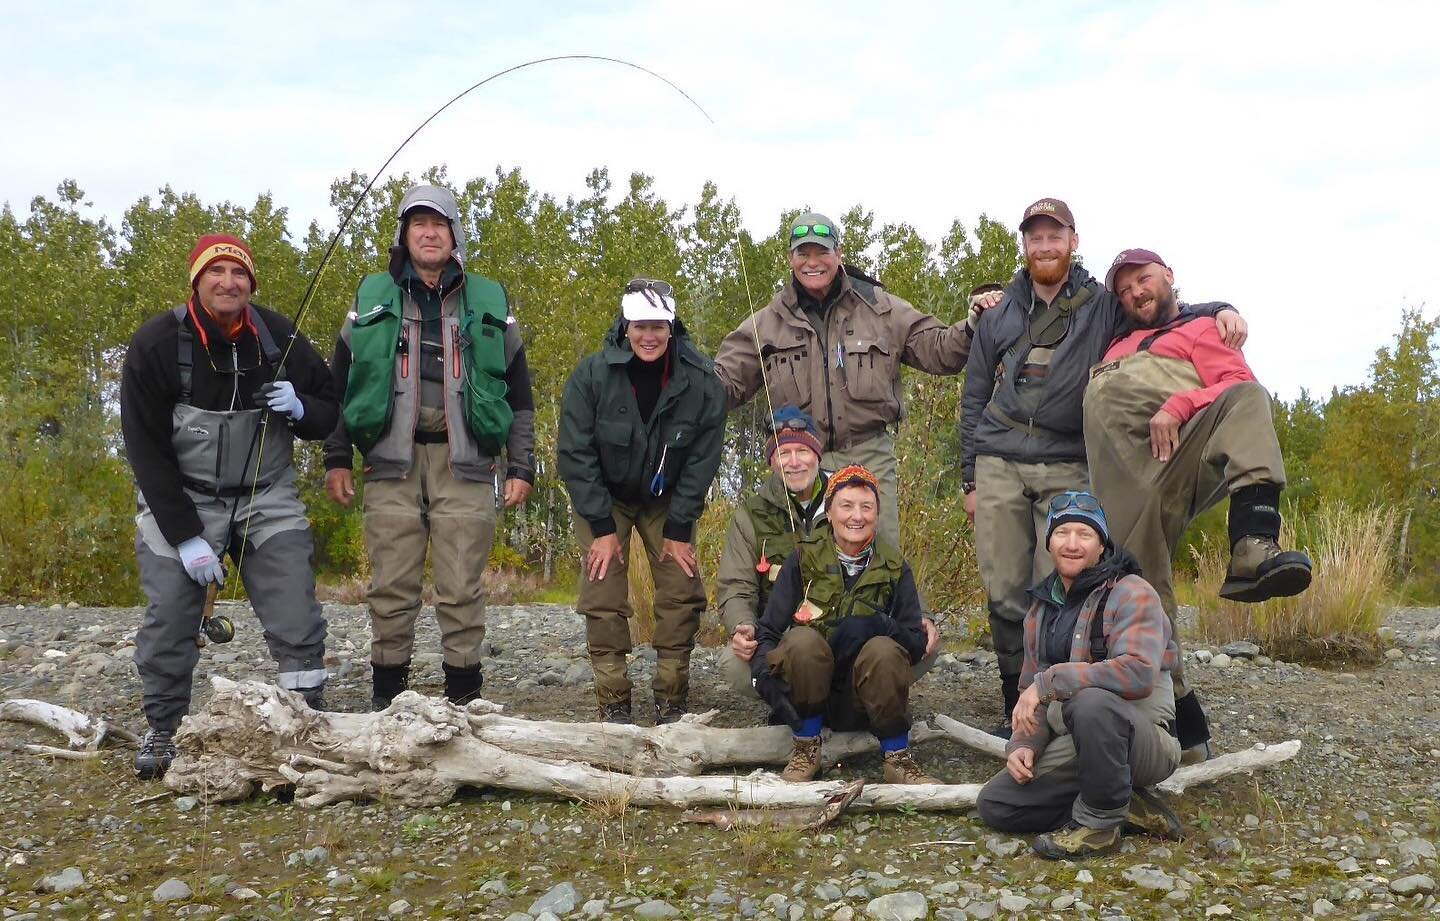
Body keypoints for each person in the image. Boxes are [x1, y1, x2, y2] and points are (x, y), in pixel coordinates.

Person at [959, 197, 1247, 746]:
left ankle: (1057, 702)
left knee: (1063, 588)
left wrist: (1220, 309)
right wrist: (970, 478)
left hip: (1068, 458)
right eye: (1034, 237)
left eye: (1054, 236)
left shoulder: (1100, 305)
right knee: (1003, 590)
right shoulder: (998, 313)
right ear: (1024, 245)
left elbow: (1160, 309)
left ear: (1073, 241)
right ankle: (1012, 701)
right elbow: (973, 397)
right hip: (998, 457)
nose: (1044, 246)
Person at [121, 234, 336, 778]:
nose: (227, 282)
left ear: (251, 284)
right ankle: (164, 730)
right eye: (215, 271)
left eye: (238, 273)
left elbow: (332, 412)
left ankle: (308, 724)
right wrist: (186, 535)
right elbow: (145, 449)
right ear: (196, 280)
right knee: (170, 613)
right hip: (181, 497)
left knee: (296, 613)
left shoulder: (279, 336)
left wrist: (302, 406)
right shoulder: (156, 344)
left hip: (268, 498)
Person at [324, 184, 536, 710]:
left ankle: (464, 705)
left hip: (464, 462)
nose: (429, 232)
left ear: (455, 234)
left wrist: (521, 465)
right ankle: (386, 704)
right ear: (403, 235)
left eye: (439, 224)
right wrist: (335, 457)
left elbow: (521, 394)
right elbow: (339, 386)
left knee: (461, 588)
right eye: (418, 223)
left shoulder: (490, 302)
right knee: (391, 587)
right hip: (389, 460)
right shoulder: (370, 300)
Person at [1085, 248, 1312, 721]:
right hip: (1123, 490)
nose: (1135, 293)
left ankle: (1253, 543)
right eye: (1124, 290)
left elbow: (1238, 386)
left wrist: (1180, 404)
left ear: (1168, 276)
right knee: (1139, 591)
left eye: (1143, 280)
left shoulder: (1203, 328)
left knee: (1249, 398)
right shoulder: (1112, 341)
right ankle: (1182, 722)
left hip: (1177, 458)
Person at [714, 212, 989, 547]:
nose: (812, 262)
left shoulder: (881, 309)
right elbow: (723, 385)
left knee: (880, 563)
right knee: (800, 565)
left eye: (822, 253)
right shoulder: (767, 324)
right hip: (799, 462)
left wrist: (974, 323)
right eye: (803, 254)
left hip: (868, 454)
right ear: (790, 259)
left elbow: (940, 351)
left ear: (839, 254)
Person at [976, 492, 1184, 859]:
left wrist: (1050, 681)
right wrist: (1024, 746)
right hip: (1074, 741)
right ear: (1049, 542)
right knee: (997, 804)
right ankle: (1127, 804)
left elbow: (1138, 673)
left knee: (1090, 703)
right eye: (1062, 533)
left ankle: (1101, 825)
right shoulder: (1040, 609)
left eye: (1085, 534)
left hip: (1142, 739)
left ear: (1101, 544)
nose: (1072, 544)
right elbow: (1029, 694)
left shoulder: (1133, 593)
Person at [557, 278, 727, 724]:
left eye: (658, 326)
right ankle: (613, 701)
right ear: (625, 325)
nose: (648, 336)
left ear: (672, 327)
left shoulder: (702, 381)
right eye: (639, 325)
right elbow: (575, 453)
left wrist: (679, 528)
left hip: (668, 498)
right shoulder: (591, 375)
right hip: (605, 497)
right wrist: (601, 528)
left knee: (681, 589)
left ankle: (672, 699)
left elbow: (704, 459)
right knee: (603, 591)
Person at [716, 406, 942, 698]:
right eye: (784, 454)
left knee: (923, 642)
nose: (795, 462)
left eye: (803, 451)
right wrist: (742, 625)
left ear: (818, 453)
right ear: (772, 460)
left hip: (856, 629)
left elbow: (892, 564)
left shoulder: (854, 496)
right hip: (790, 636)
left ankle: (868, 694)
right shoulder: (750, 514)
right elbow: (736, 585)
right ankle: (802, 701)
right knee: (734, 664)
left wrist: (922, 615)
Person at [752, 465, 938, 785]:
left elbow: (916, 642)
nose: (857, 516)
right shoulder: (803, 559)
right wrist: (761, 676)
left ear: (877, 515)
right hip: (810, 695)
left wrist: (879, 625)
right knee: (801, 641)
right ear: (830, 511)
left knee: (883, 649)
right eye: (847, 505)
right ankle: (806, 749)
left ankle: (898, 758)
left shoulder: (894, 566)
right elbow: (768, 630)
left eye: (867, 507)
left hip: (862, 700)